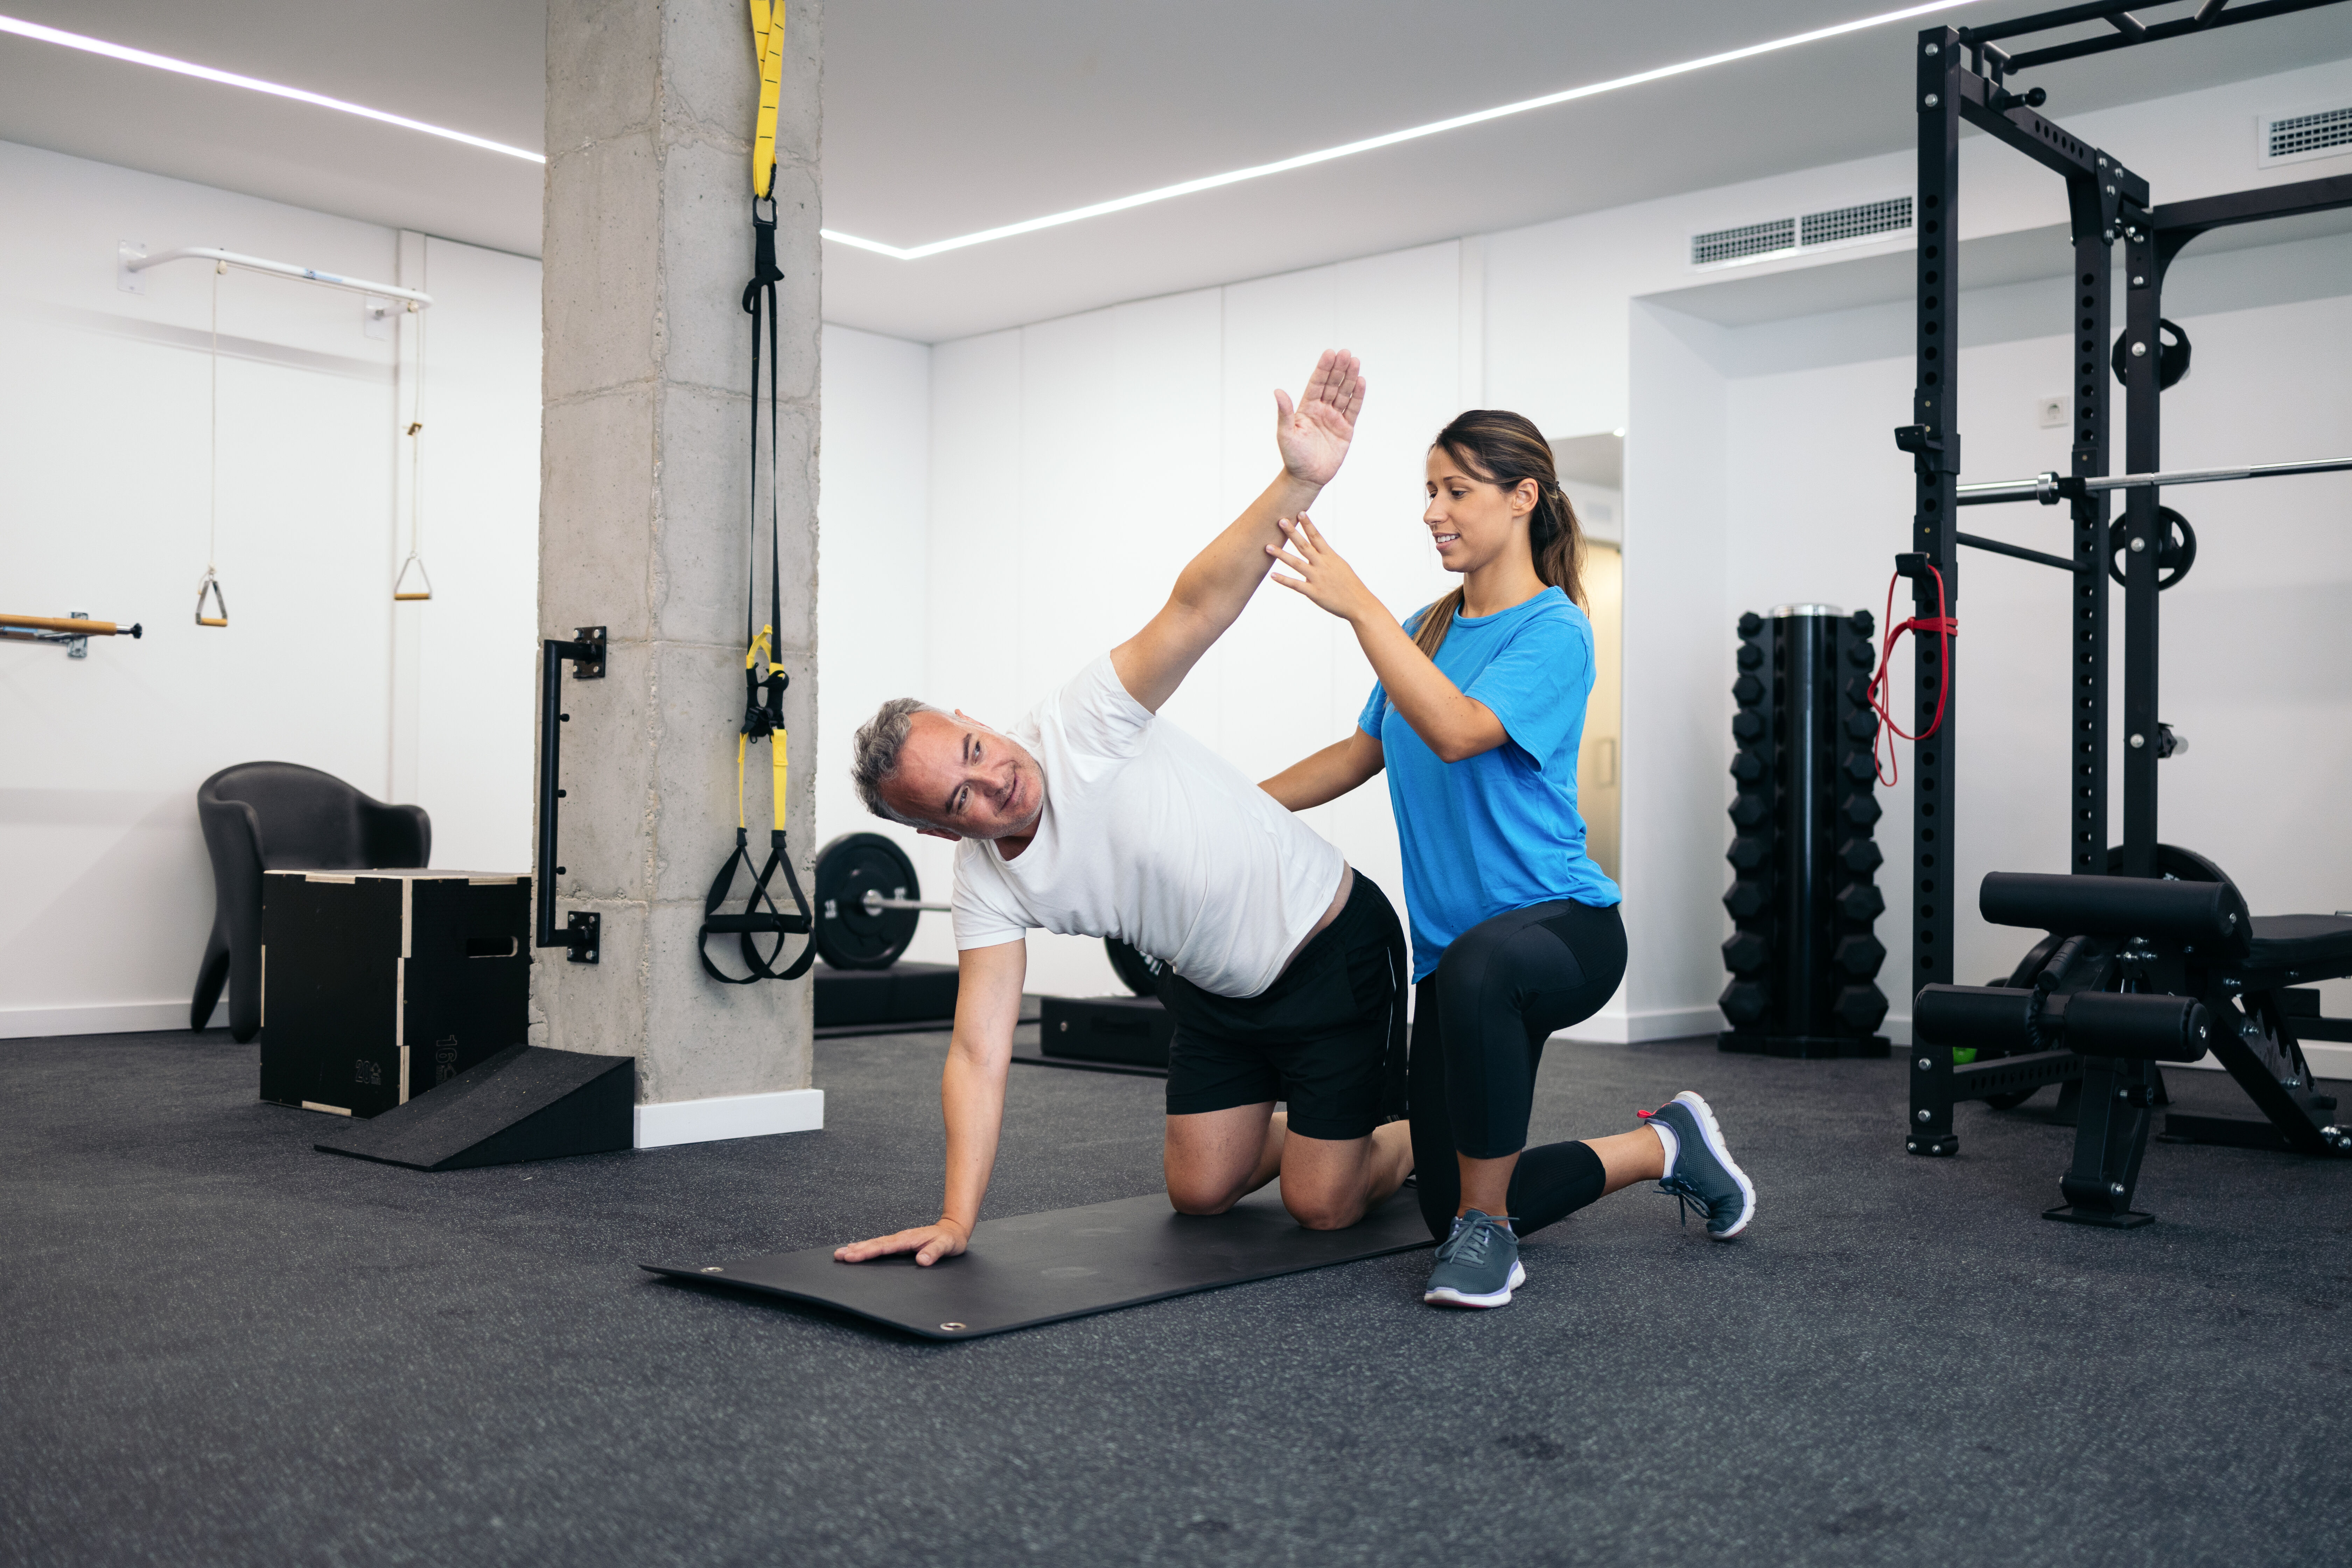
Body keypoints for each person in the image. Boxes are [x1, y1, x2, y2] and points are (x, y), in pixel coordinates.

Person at [832, 351, 1414, 1269]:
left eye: (977, 753)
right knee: (1201, 1194)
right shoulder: (986, 884)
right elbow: (979, 1053)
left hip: (1328, 948)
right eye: (961, 800)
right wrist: (955, 1220)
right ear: (941, 831)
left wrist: (1298, 481)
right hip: (1217, 996)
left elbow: (1194, 607)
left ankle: (1413, 1132)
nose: (995, 785)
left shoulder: (1083, 723)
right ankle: (1313, 1127)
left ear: (976, 720)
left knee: (1321, 1207)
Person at [1258, 408, 1756, 1309]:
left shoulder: (1555, 630)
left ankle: (1492, 1240)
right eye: (1429, 492)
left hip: (1562, 930)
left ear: (1524, 497)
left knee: (1486, 973)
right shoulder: (1424, 628)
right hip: (1458, 959)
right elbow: (1361, 750)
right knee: (1447, 1203)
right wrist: (1238, 806)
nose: (1433, 512)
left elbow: (1454, 732)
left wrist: (1359, 607)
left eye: (1456, 490)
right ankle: (1664, 1145)